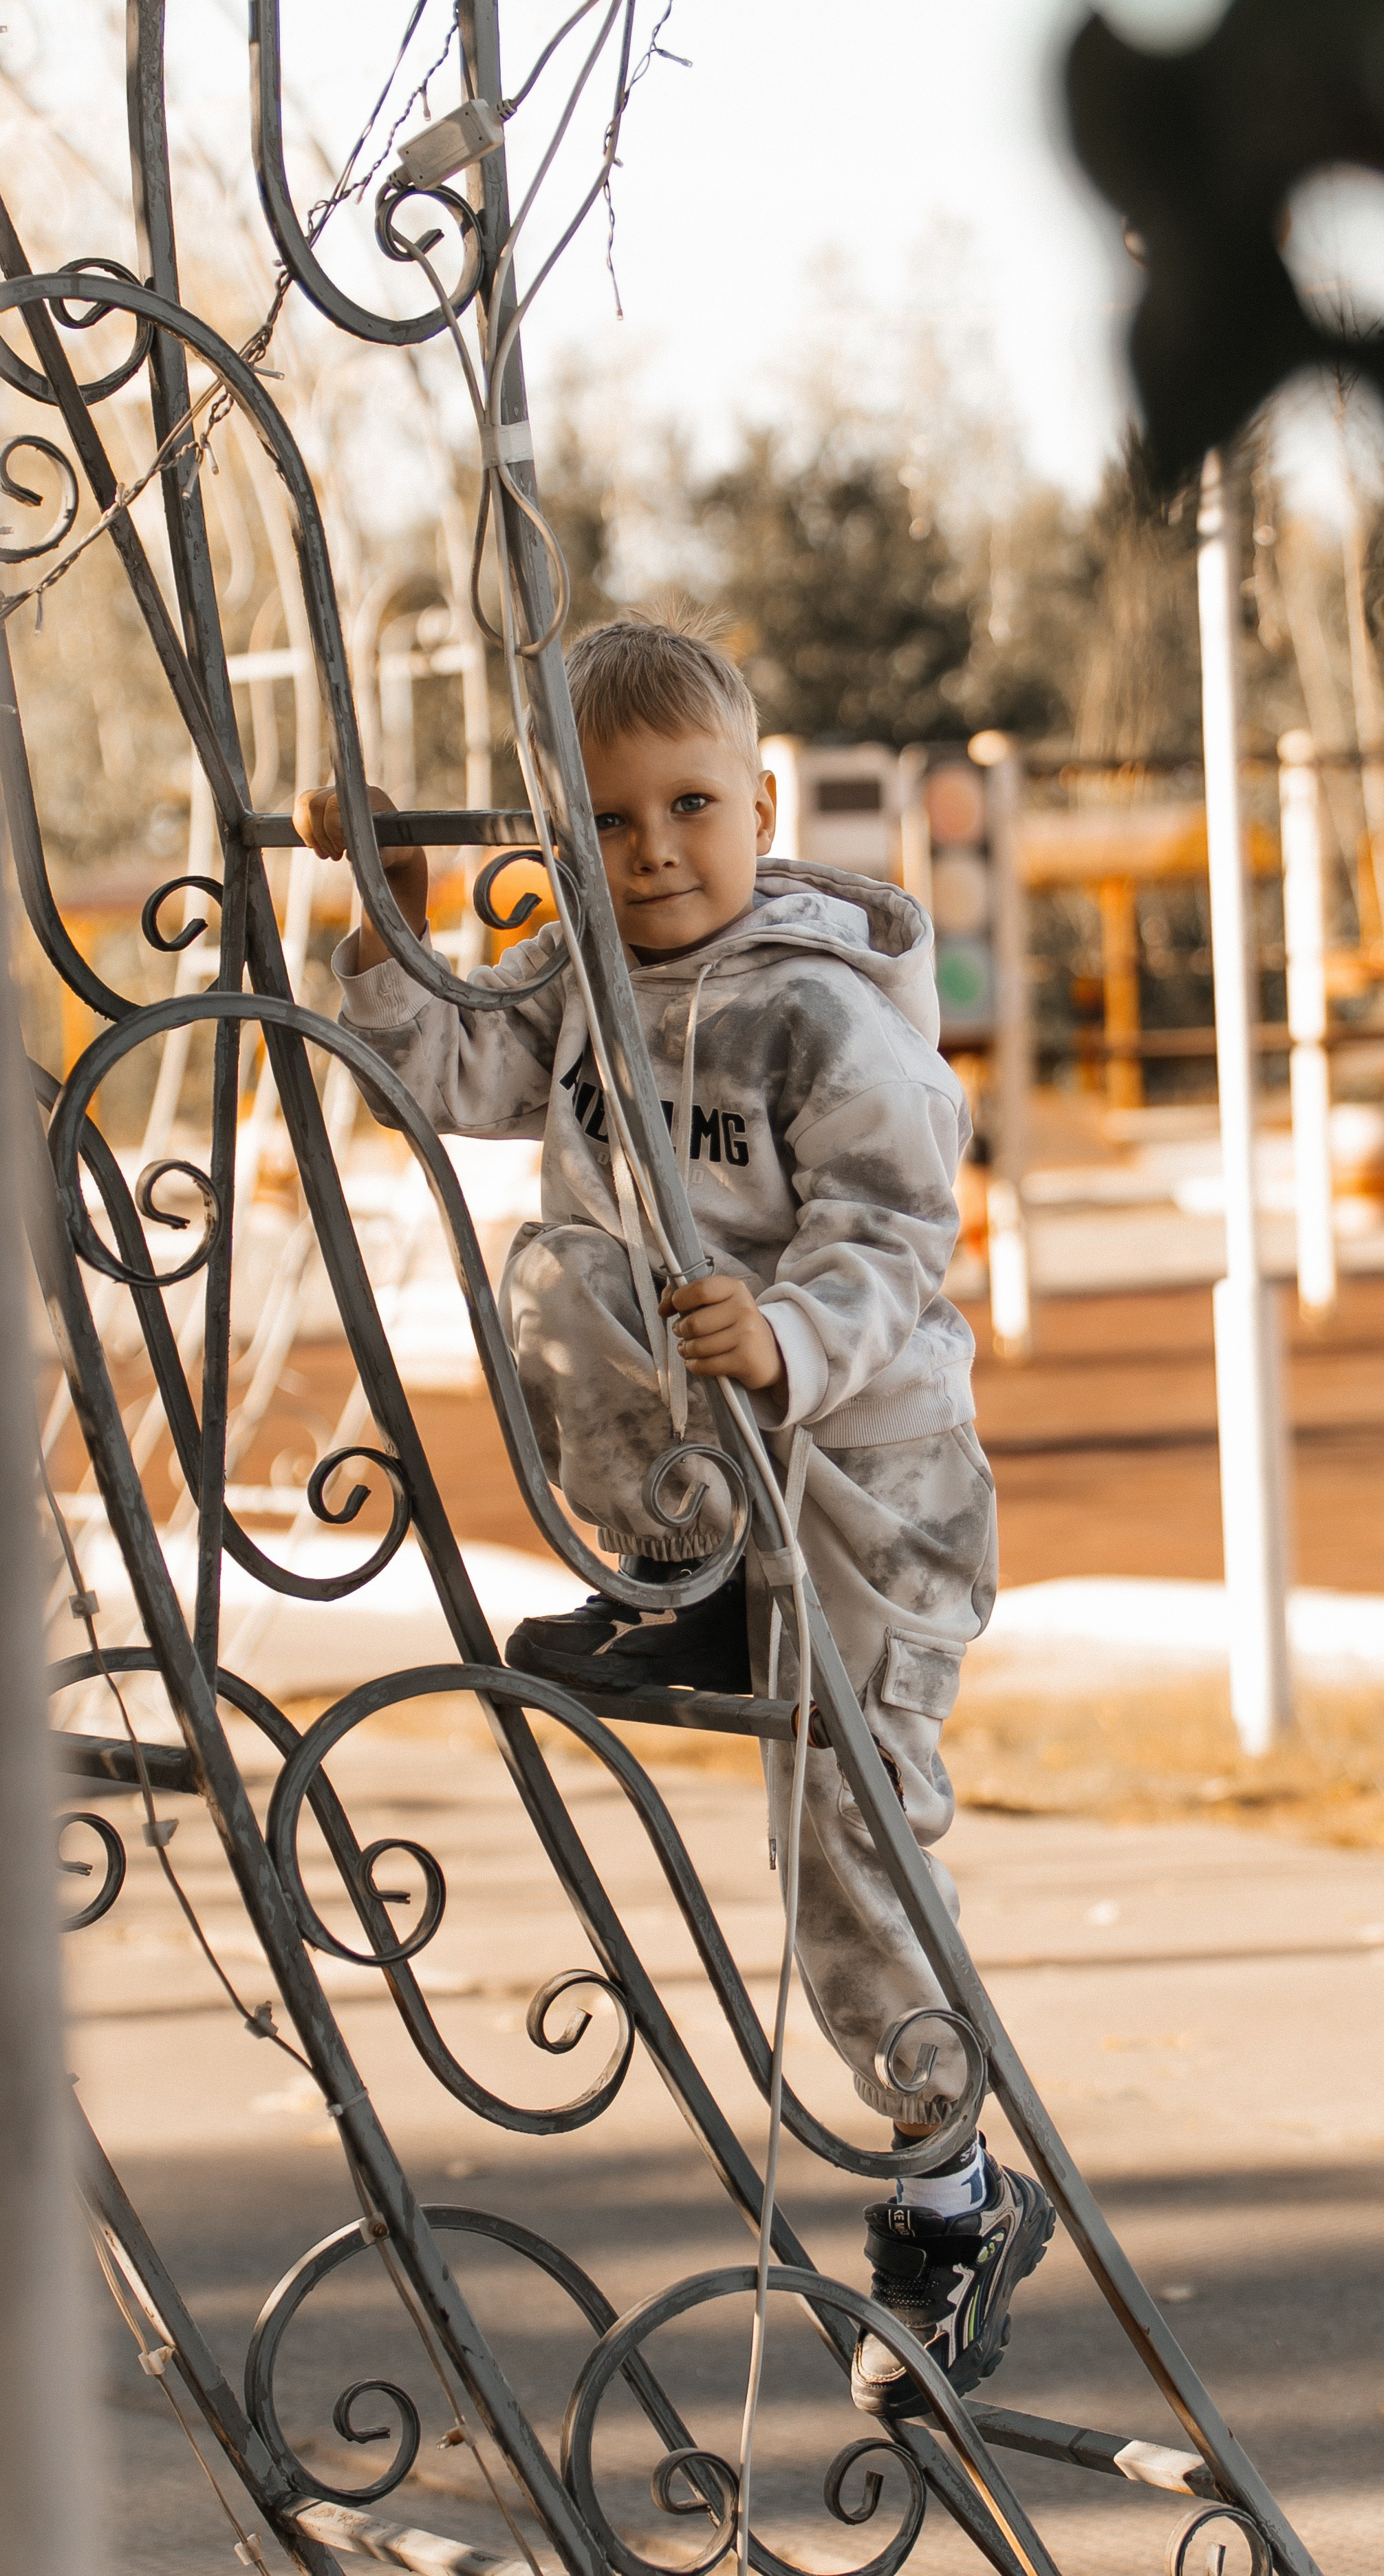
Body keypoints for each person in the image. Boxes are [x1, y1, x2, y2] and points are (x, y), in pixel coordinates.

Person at [294, 613, 1052, 2416]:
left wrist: (789, 1336)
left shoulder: (822, 1006)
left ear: (762, 800)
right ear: (564, 839)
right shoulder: (584, 978)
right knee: (553, 1262)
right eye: (609, 826)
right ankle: (684, 1574)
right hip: (724, 1480)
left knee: (847, 1849)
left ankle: (953, 2189)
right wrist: (388, 910)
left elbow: (898, 1229)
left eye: (689, 810)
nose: (652, 856)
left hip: (868, 1485)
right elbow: (442, 1077)